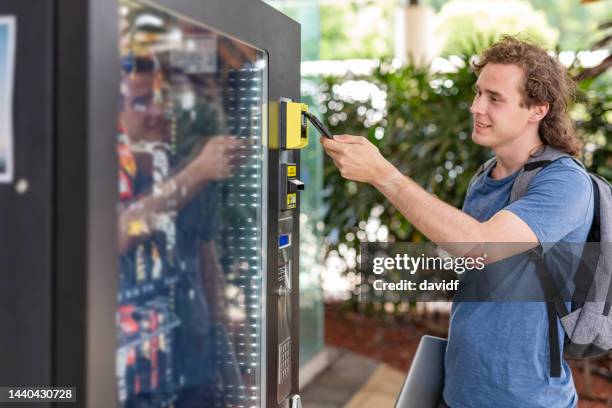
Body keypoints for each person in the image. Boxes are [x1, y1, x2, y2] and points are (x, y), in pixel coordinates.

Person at [321, 36, 594, 407]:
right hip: (460, 391)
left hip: (525, 399)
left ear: (538, 109)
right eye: (478, 93)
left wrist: (385, 175)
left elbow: (483, 245)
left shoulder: (565, 182)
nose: (476, 107)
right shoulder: (485, 177)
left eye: (494, 98)